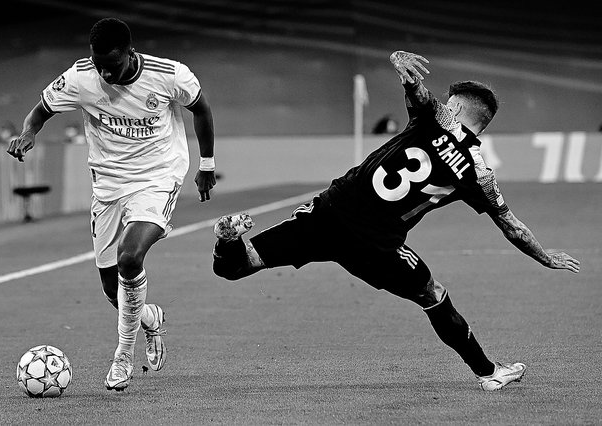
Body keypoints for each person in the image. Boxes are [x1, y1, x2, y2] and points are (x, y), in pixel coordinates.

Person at [211, 50, 580, 391]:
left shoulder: (435, 116)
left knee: (239, 265)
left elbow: (420, 95)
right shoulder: (478, 173)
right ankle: (489, 373)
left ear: (458, 107)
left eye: (451, 102)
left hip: (329, 212)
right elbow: (511, 225)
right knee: (433, 294)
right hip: (376, 244)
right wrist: (544, 256)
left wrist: (403, 67)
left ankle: (227, 240)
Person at [7, 17, 216, 391]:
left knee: (129, 257)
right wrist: (28, 133)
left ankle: (123, 354)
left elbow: (201, 109)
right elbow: (41, 109)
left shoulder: (169, 75)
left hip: (157, 176)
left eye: (112, 65)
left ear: (130, 53)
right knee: (111, 287)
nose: (105, 73)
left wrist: (207, 164)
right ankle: (150, 318)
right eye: (99, 64)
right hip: (107, 186)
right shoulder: (81, 77)